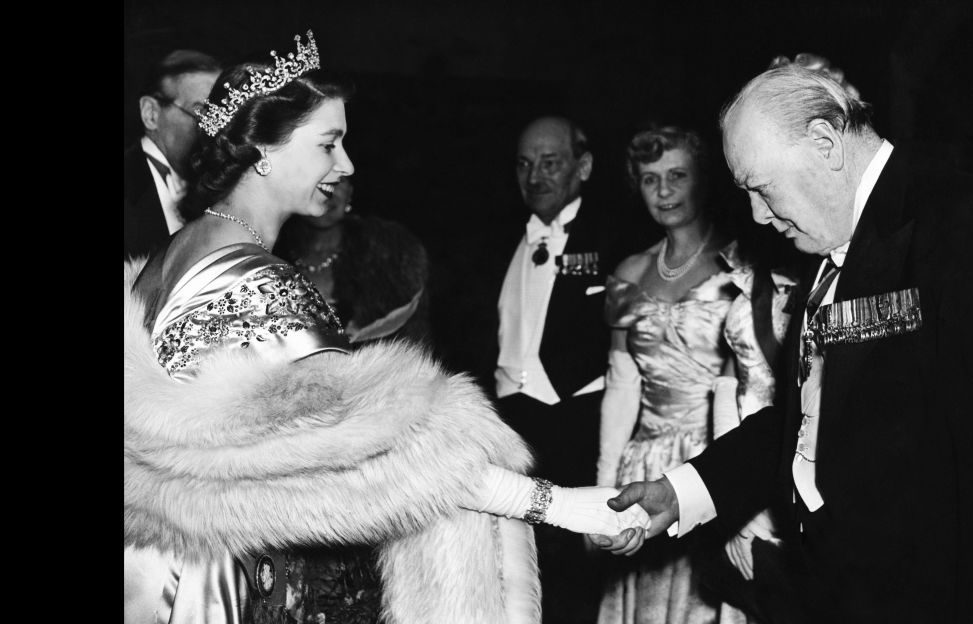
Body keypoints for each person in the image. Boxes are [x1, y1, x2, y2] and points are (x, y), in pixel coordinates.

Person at [124, 30, 649, 624]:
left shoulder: (181, 248)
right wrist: (563, 506)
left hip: (153, 562)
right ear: (265, 151)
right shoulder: (261, 282)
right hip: (219, 579)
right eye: (329, 144)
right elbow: (387, 458)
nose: (345, 165)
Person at [594, 61, 973, 624]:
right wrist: (683, 490)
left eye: (762, 188)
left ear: (825, 142)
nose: (757, 215)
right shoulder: (828, 251)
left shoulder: (959, 227)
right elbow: (802, 421)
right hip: (827, 589)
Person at [594, 125, 794, 624]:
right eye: (649, 179)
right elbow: (621, 390)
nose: (663, 191)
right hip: (643, 458)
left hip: (715, 453)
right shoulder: (628, 274)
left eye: (676, 175)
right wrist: (599, 493)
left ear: (702, 180)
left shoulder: (743, 267)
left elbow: (752, 385)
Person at [485, 115, 619, 623]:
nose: (535, 176)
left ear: (582, 166)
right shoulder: (495, 239)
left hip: (576, 426)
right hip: (507, 429)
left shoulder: (616, 237)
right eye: (524, 164)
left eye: (550, 163)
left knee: (571, 586)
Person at [275, 175, 432, 347]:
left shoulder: (388, 256)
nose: (329, 192)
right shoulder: (267, 252)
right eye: (318, 177)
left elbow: (411, 345)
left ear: (350, 192)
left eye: (339, 180)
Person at [124, 48, 222, 260]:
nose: (215, 131)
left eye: (222, 118)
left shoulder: (221, 189)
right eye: (201, 114)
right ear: (150, 113)